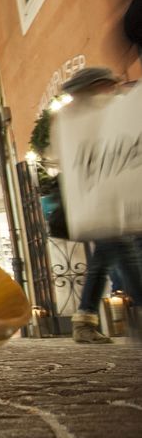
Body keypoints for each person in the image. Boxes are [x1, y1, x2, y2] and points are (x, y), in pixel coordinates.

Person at [48, 67, 142, 343]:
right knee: (124, 253)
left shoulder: (72, 118)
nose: (112, 89)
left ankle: (84, 320)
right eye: (107, 85)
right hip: (103, 202)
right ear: (95, 87)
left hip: (106, 203)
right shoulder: (83, 118)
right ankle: (111, 318)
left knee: (104, 260)